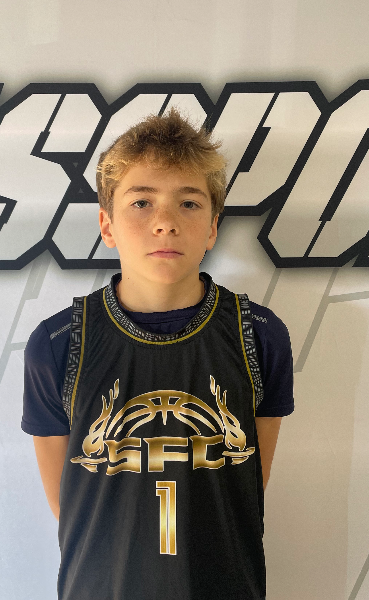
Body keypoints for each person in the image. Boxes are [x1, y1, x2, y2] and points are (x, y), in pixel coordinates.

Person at [22, 108, 294, 600]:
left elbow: (244, 489)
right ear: (107, 225)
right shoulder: (58, 344)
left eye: (188, 204)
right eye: (141, 202)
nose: (165, 223)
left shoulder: (259, 336)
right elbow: (71, 504)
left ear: (212, 227)